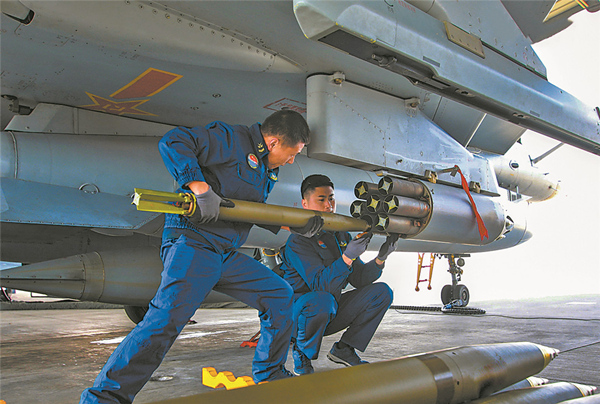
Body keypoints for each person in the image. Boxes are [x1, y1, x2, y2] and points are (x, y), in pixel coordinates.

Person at [81, 110, 312, 403]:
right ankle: (103, 398)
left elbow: (245, 206)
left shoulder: (266, 165)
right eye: (292, 154)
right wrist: (198, 185)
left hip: (224, 251)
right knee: (163, 324)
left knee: (279, 294)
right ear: (275, 142)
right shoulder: (232, 139)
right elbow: (174, 141)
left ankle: (270, 374)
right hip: (193, 243)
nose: (292, 161)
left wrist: (293, 223)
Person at [279, 174, 397, 376]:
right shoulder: (298, 241)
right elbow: (320, 285)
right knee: (321, 300)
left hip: (329, 308)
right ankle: (302, 352)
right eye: (321, 199)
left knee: (382, 292)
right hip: (298, 316)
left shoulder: (340, 235)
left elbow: (358, 278)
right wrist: (347, 257)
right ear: (305, 203)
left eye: (331, 198)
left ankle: (344, 349)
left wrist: (380, 259)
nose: (329, 205)